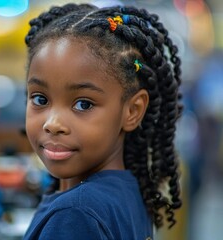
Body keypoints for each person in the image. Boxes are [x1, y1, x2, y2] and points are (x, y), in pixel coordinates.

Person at [22, 3, 183, 240]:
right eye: (40, 98)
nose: (53, 123)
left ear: (132, 111)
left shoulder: (75, 214)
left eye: (83, 104)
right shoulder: (127, 189)